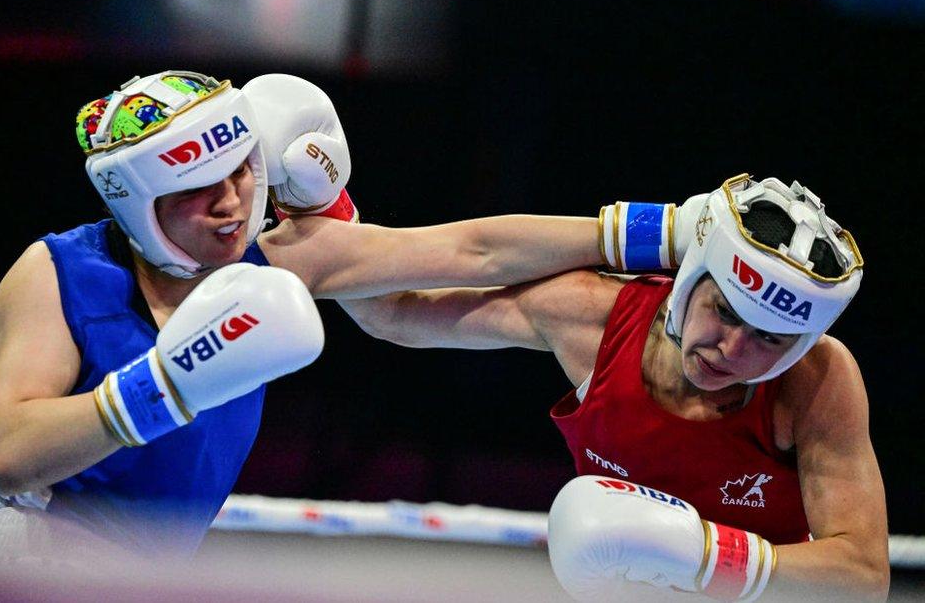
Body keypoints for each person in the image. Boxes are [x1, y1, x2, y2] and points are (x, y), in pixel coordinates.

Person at [0, 70, 611, 566]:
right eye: (198, 188)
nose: (229, 203)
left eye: (240, 172)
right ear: (140, 203)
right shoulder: (58, 274)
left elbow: (475, 250)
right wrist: (169, 384)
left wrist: (662, 232)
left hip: (157, 573)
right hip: (38, 562)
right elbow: (9, 454)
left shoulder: (281, 256)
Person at [341, 175, 889, 600]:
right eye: (723, 311)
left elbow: (864, 576)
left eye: (768, 338)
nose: (733, 349)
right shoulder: (592, 318)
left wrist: (703, 557)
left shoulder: (817, 381)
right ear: (691, 276)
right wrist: (320, 200)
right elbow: (392, 314)